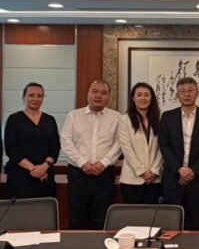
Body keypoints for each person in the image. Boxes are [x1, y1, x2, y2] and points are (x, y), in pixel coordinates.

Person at [61, 80, 121, 229]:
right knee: (77, 218)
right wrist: (82, 163)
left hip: (104, 174)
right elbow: (66, 141)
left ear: (109, 97)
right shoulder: (73, 115)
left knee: (102, 219)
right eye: (95, 91)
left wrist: (104, 162)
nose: (98, 96)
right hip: (78, 174)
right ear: (88, 94)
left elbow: (119, 143)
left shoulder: (116, 117)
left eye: (103, 93)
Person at [158, 77, 199, 230]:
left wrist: (193, 171)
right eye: (182, 91)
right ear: (177, 94)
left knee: (196, 224)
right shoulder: (167, 117)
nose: (187, 94)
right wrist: (180, 169)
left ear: (197, 93)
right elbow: (164, 145)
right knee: (172, 225)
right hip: (173, 179)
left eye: (190, 90)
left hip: (198, 180)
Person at [4, 82, 60, 198]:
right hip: (20, 175)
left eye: (39, 96)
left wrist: (44, 167)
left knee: (45, 207)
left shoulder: (50, 120)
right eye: (31, 95)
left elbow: (55, 147)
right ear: (24, 97)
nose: (35, 99)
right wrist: (34, 169)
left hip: (45, 175)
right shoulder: (13, 119)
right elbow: (11, 150)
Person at [118, 82, 163, 204]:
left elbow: (162, 147)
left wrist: (154, 170)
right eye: (139, 95)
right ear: (133, 98)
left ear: (152, 98)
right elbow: (126, 148)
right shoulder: (124, 119)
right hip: (132, 179)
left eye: (147, 95)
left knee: (152, 214)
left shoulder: (159, 119)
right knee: (134, 214)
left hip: (154, 179)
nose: (143, 98)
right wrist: (142, 172)